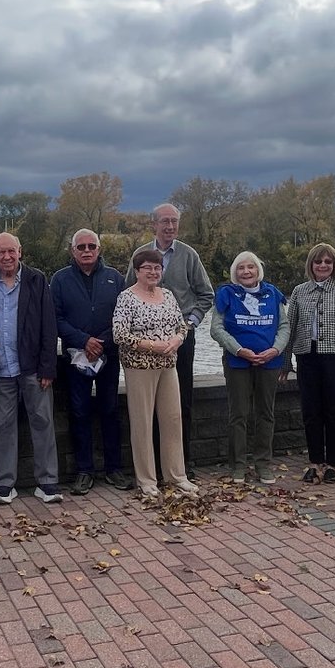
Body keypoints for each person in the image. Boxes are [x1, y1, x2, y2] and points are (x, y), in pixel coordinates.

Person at [124, 203, 214, 477]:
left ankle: (180, 465)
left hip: (180, 342)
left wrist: (188, 325)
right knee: (148, 407)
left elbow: (206, 295)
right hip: (145, 346)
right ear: (154, 224)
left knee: (180, 404)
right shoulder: (140, 255)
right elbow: (127, 292)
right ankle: (153, 469)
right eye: (165, 221)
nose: (170, 227)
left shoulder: (189, 255)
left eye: (174, 221)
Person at [0, 232, 62, 505]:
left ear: (20, 252)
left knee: (43, 421)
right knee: (1, 426)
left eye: (11, 251)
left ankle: (47, 482)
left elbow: (49, 325)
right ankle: (4, 485)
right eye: (1, 252)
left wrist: (48, 367)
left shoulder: (37, 280)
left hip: (33, 367)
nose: (7, 257)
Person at [51, 229, 132, 494]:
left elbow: (123, 316)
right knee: (79, 413)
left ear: (99, 249)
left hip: (108, 356)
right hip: (76, 358)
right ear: (72, 250)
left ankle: (113, 469)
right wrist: (85, 340)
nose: (87, 251)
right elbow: (56, 318)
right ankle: (84, 471)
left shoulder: (115, 278)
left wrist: (102, 342)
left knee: (110, 411)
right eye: (81, 246)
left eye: (91, 246)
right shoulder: (60, 280)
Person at [113, 250, 198, 498]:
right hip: (139, 367)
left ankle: (176, 475)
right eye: (147, 268)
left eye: (157, 268)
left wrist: (178, 339)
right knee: (142, 422)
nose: (153, 272)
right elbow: (119, 334)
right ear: (137, 271)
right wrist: (152, 346)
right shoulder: (126, 298)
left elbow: (181, 324)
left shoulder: (168, 295)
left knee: (172, 420)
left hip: (168, 365)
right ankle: (147, 479)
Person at [281, 243, 335, 484]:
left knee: (334, 411)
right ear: (311, 265)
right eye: (318, 262)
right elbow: (291, 326)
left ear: (334, 265)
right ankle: (314, 462)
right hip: (307, 357)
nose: (323, 266)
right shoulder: (299, 291)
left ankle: (334, 464)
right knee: (311, 412)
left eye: (328, 262)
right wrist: (285, 361)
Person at [210, 251, 289, 485]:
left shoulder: (273, 293)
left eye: (251, 267)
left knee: (266, 413)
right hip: (238, 362)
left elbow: (284, 326)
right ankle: (238, 466)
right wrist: (239, 350)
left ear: (258, 271)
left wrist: (275, 350)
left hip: (269, 362)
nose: (246, 271)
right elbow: (216, 328)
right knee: (239, 415)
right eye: (241, 268)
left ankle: (263, 464)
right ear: (235, 272)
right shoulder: (226, 294)